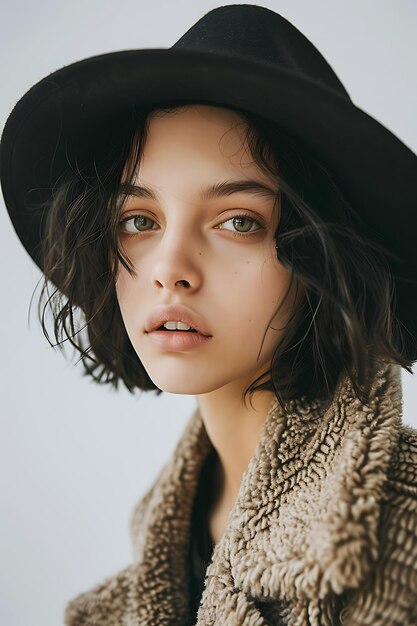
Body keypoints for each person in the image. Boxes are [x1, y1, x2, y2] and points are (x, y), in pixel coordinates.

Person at [1, 4, 417, 625]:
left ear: (325, 257)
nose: (171, 268)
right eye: (139, 221)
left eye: (238, 222)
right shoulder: (127, 587)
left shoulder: (401, 527)